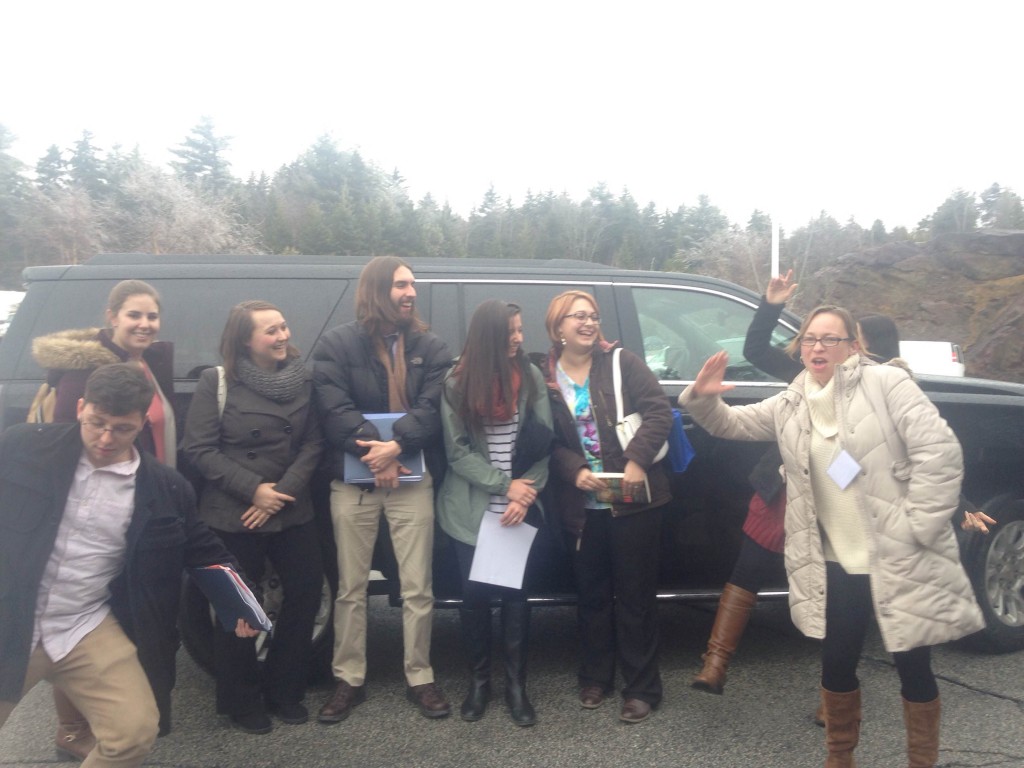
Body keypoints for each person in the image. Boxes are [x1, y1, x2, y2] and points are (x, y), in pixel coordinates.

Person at [681, 304, 992, 767]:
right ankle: (839, 759)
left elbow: (940, 452)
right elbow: (733, 424)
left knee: (914, 668)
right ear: (800, 347)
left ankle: (921, 761)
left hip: (898, 556)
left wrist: (918, 526)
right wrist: (703, 399)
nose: (818, 347)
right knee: (837, 666)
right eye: (810, 339)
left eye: (831, 338)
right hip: (837, 560)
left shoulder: (888, 384)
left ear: (853, 346)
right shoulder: (793, 401)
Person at [0, 363, 255, 767]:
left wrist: (241, 605)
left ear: (141, 422)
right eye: (96, 422)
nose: (105, 438)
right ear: (81, 407)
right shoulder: (22, 447)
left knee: (134, 733)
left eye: (121, 429)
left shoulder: (165, 487)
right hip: (12, 613)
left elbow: (204, 550)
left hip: (83, 625)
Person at [29, 279, 176, 759]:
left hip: (136, 497)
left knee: (98, 621)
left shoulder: (143, 363)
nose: (145, 324)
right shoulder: (87, 372)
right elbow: (67, 450)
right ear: (110, 316)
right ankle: (72, 727)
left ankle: (84, 719)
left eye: (152, 316)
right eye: (134, 314)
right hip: (89, 509)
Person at [312, 255, 453, 723]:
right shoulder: (335, 345)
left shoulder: (432, 347)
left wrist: (397, 449)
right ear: (375, 290)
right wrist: (380, 453)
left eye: (412, 284)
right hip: (353, 481)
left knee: (418, 587)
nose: (410, 292)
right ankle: (348, 678)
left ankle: (420, 675)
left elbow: (432, 409)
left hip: (413, 480)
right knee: (349, 588)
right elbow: (335, 411)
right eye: (400, 285)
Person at [182, 300, 324, 734]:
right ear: (246, 340)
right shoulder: (217, 381)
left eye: (283, 327)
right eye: (270, 331)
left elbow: (314, 444)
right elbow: (198, 449)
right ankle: (242, 699)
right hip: (235, 510)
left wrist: (279, 493)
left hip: (289, 506)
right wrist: (254, 490)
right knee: (240, 607)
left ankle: (285, 690)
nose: (282, 336)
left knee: (304, 596)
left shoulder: (304, 379)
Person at [541, 290, 672, 724]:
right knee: (592, 596)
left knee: (635, 597)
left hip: (633, 501)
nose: (588, 322)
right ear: (557, 326)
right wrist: (573, 469)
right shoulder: (544, 378)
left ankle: (641, 688)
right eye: (578, 316)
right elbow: (546, 440)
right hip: (583, 506)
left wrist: (636, 460)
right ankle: (596, 676)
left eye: (593, 316)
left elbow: (658, 412)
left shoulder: (622, 362)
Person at [436, 300, 553, 726]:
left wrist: (525, 494)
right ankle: (479, 683)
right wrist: (505, 486)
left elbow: (543, 441)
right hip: (472, 509)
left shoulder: (531, 377)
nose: (520, 339)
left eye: (521, 330)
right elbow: (457, 453)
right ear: (489, 337)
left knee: (517, 598)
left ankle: (516, 687)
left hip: (518, 507)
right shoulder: (457, 382)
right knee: (475, 599)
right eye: (511, 333)